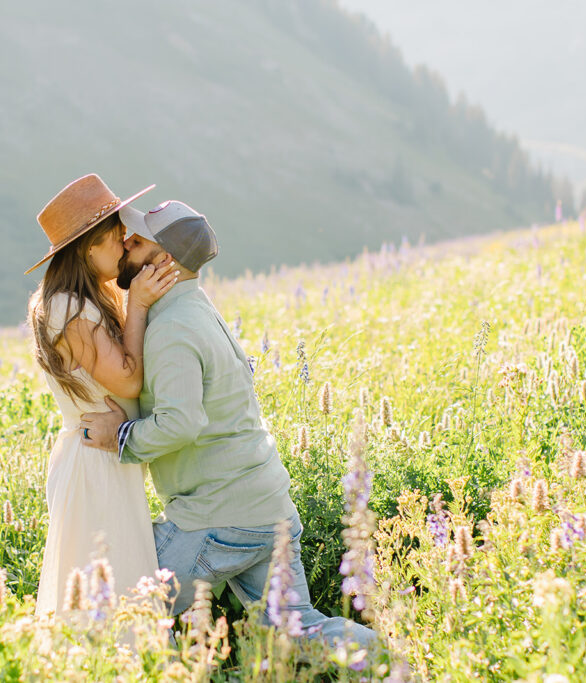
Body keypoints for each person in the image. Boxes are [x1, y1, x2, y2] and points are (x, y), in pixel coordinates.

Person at [79, 199, 377, 649]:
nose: (125, 245)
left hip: (218, 519)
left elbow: (180, 423)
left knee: (123, 600)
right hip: (265, 508)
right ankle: (399, 663)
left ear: (163, 261)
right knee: (298, 632)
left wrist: (119, 436)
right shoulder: (196, 308)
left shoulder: (171, 328)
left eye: (136, 241)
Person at [25, 173, 180, 615]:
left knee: (119, 594)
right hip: (94, 463)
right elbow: (128, 380)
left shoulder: (84, 299)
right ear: (87, 247)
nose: (123, 242)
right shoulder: (66, 307)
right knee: (108, 600)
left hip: (106, 455)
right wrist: (140, 306)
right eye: (114, 236)